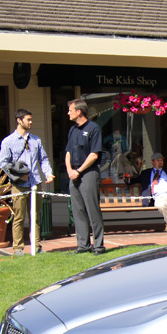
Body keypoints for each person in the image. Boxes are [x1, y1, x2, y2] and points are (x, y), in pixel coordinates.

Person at [0, 108, 54, 255]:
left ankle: (36, 246)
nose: (31, 122)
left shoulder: (36, 140)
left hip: (36, 182)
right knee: (19, 217)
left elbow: (44, 159)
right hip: (19, 185)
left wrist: (48, 173)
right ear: (19, 120)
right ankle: (18, 248)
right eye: (28, 120)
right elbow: (3, 163)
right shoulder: (8, 141)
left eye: (31, 119)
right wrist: (18, 175)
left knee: (35, 216)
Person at [65, 98, 105, 255]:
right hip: (73, 174)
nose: (68, 113)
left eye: (70, 110)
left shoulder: (94, 128)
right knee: (78, 211)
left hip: (88, 173)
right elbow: (68, 152)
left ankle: (99, 246)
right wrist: (69, 170)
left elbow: (94, 155)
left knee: (92, 210)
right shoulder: (72, 130)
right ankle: (83, 246)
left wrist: (79, 171)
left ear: (78, 111)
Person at [124, 152, 167, 233]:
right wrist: (126, 179)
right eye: (158, 160)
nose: (160, 162)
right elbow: (132, 181)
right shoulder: (146, 173)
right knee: (161, 205)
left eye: (162, 160)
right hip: (159, 196)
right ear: (153, 162)